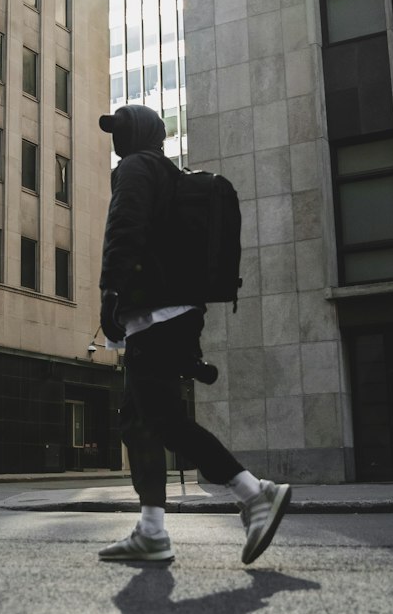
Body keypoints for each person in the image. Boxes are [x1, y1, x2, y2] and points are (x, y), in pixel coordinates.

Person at [97, 103, 292, 564]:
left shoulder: (136, 169)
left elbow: (125, 228)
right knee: (138, 421)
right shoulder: (167, 173)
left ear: (141, 133)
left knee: (163, 419)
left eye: (120, 130)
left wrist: (110, 290)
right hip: (176, 315)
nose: (115, 138)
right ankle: (151, 531)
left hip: (157, 317)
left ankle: (252, 492)